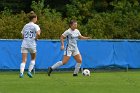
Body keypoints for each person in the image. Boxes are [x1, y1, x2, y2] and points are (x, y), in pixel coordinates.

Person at [19, 11, 41, 78]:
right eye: (36, 18)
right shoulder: (35, 26)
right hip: (32, 44)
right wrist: (36, 38)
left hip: (24, 44)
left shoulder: (25, 25)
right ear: (34, 18)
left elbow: (22, 35)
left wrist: (26, 38)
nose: (36, 19)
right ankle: (29, 71)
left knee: (23, 60)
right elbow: (38, 33)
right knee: (33, 58)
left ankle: (21, 73)